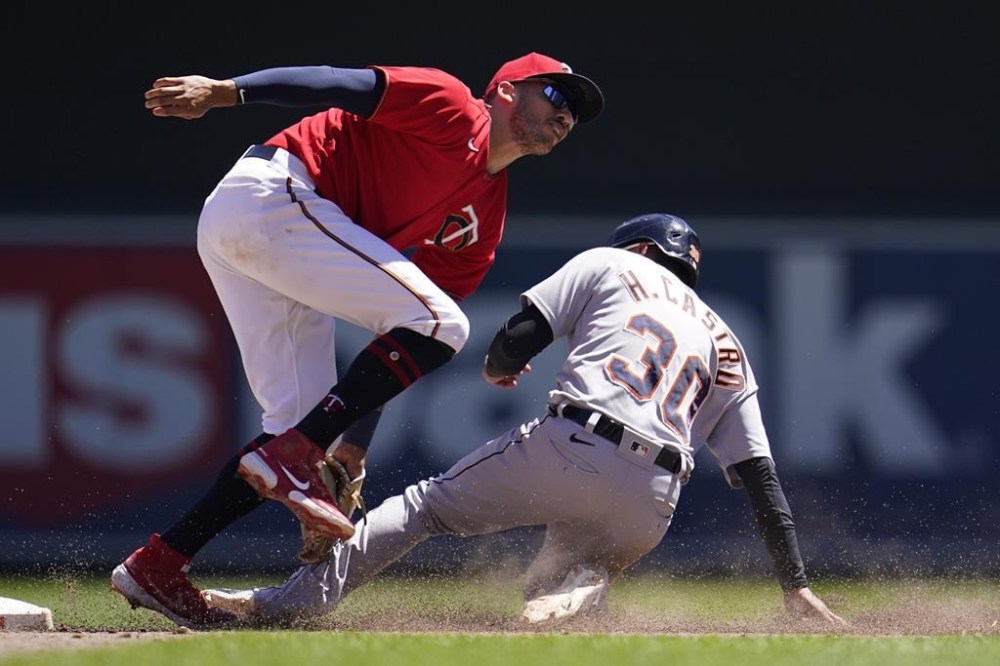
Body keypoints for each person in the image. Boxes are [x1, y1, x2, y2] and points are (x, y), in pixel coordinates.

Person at [110, 52, 605, 627]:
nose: (566, 114)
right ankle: (293, 457)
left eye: (575, 111)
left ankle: (160, 562)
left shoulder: (484, 215)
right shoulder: (451, 106)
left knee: (297, 432)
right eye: (556, 96)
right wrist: (225, 92)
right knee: (443, 328)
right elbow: (338, 84)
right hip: (272, 195)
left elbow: (401, 337)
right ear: (506, 91)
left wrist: (351, 445)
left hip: (273, 238)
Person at [199, 213, 847, 628]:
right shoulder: (724, 338)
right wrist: (796, 586)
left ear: (641, 247)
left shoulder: (612, 262)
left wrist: (497, 367)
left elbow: (521, 335)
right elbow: (761, 479)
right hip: (654, 499)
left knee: (424, 507)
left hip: (578, 442)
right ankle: (586, 578)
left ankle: (290, 604)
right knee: (549, 590)